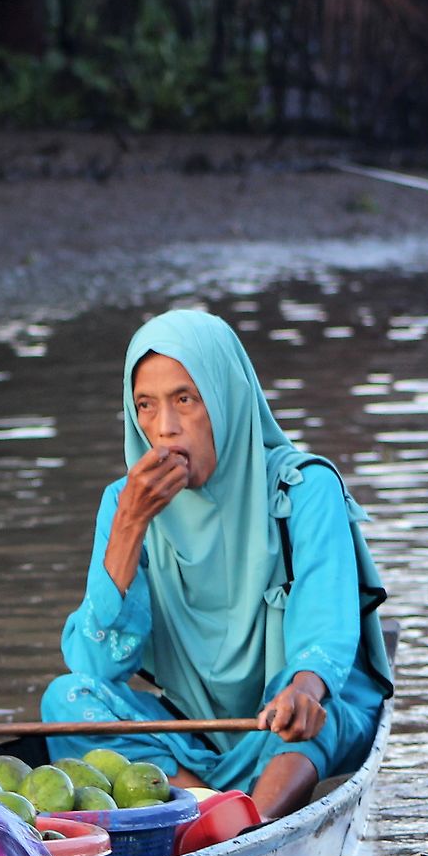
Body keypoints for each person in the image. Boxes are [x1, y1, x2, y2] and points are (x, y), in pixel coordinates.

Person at [42, 310, 393, 821]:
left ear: (225, 397)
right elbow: (96, 668)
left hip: (287, 730)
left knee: (325, 713)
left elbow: (325, 632)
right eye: (146, 405)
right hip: (194, 733)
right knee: (65, 703)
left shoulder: (304, 488)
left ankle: (249, 824)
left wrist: (304, 689)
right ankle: (202, 811)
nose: (164, 428)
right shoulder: (124, 502)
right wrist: (129, 527)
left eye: (185, 399)